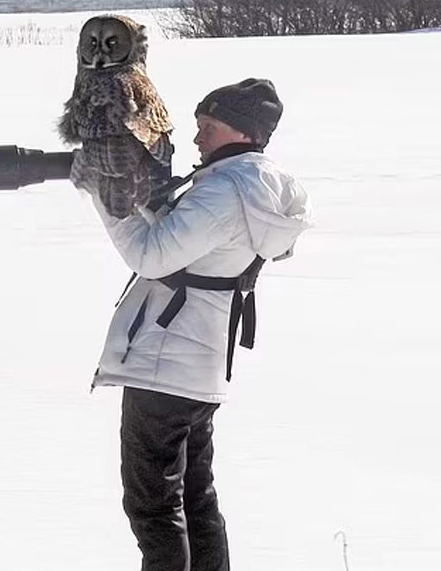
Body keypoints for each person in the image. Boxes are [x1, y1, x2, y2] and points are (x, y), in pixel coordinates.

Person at [78, 78, 313, 571]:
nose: (197, 137)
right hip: (198, 365)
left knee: (154, 508)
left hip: (165, 365)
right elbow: (184, 243)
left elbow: (152, 254)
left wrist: (106, 194)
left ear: (242, 132)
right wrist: (141, 194)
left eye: (208, 126)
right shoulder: (253, 187)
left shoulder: (224, 192)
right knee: (194, 498)